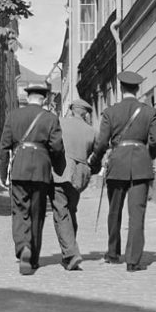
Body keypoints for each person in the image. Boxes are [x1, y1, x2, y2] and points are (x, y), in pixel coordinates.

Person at [88, 71, 156, 272]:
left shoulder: (111, 112)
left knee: (114, 211)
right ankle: (133, 260)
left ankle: (113, 254)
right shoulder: (148, 112)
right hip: (141, 164)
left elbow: (102, 142)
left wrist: (95, 162)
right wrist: (148, 156)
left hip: (117, 163)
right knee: (136, 214)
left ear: (121, 89)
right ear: (137, 89)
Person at [0, 81, 66, 275]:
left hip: (19, 169)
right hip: (41, 171)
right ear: (43, 99)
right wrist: (58, 167)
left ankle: (23, 247)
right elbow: (57, 146)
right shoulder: (50, 118)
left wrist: (2, 173)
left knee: (19, 211)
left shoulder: (13, 116)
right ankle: (33, 256)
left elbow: (4, 146)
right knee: (37, 213)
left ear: (27, 98)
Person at [51, 98, 96, 271]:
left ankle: (71, 254)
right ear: (85, 113)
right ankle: (69, 252)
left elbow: (53, 144)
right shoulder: (91, 131)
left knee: (61, 212)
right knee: (71, 210)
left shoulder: (59, 122)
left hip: (61, 172)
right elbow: (96, 150)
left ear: (71, 110)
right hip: (79, 176)